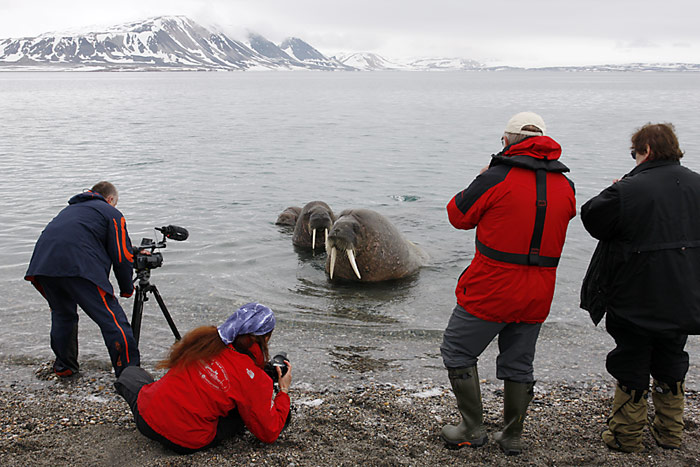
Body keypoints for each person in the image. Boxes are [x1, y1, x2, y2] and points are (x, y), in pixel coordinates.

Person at [440, 112, 576, 455]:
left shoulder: (496, 177)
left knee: (457, 350)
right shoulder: (566, 184)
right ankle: (512, 436)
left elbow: (458, 216)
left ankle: (472, 427)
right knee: (519, 362)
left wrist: (481, 177)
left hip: (492, 287)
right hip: (539, 290)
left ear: (507, 141)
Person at [580, 123, 700, 453]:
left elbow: (591, 217)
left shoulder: (630, 189)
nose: (634, 158)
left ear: (645, 150)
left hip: (635, 295)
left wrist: (619, 187)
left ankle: (625, 435)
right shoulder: (697, 184)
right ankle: (669, 433)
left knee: (631, 360)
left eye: (634, 153)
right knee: (672, 356)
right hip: (685, 295)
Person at [114, 302, 292, 453]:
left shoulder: (205, 342)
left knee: (131, 374)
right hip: (184, 441)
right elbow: (269, 433)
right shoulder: (253, 378)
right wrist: (283, 391)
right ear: (265, 338)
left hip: (146, 419)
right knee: (241, 415)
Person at [25, 181, 139, 378]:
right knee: (113, 321)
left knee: (62, 315)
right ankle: (129, 374)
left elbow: (83, 239)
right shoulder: (111, 213)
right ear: (110, 199)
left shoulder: (70, 211)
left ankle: (65, 367)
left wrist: (134, 251)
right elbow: (121, 255)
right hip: (79, 268)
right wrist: (127, 288)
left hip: (43, 267)